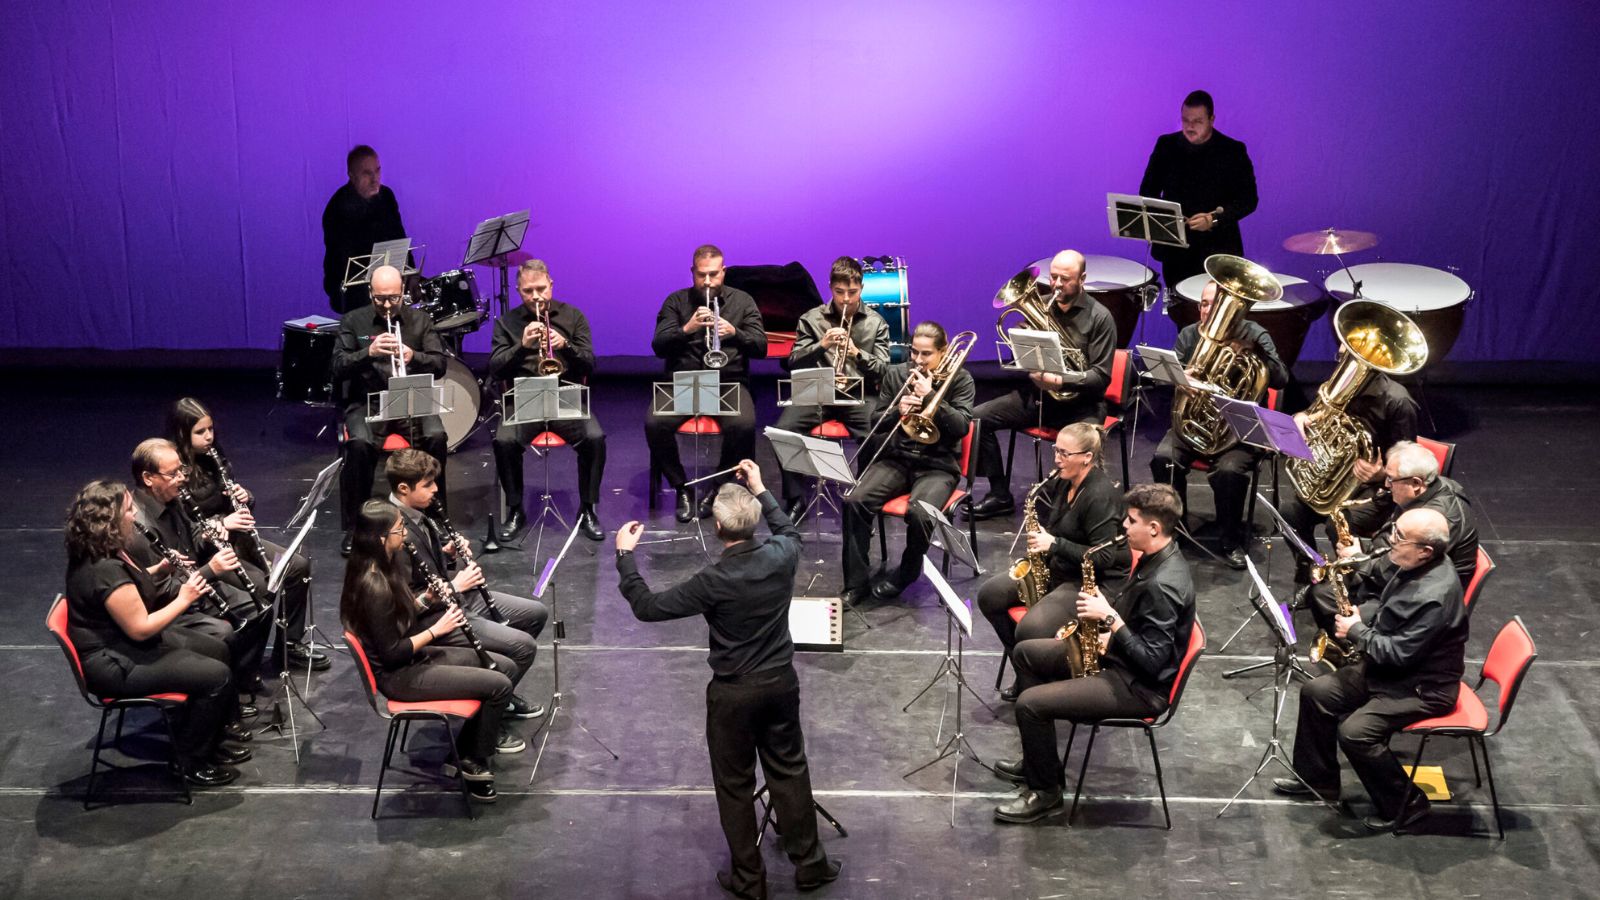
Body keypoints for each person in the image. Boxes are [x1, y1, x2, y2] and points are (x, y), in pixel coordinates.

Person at [615, 460, 840, 899]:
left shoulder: (713, 581)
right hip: (779, 684)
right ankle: (810, 866)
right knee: (790, 771)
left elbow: (648, 607)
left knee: (734, 785)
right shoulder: (782, 555)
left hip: (733, 694)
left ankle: (749, 880)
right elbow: (788, 529)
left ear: (718, 527)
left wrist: (625, 557)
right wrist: (760, 487)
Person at [993, 483, 1195, 824]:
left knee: (1030, 706)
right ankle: (1038, 763)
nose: (1124, 528)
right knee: (1026, 652)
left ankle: (1046, 793)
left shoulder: (1164, 584)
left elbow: (1153, 663)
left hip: (1138, 688)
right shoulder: (1155, 559)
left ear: (1154, 528)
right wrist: (1104, 636)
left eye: (1131, 521)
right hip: (1120, 660)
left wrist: (1111, 621)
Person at [1274, 507, 1468, 831]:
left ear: (1425, 551)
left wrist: (1356, 631)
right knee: (1316, 692)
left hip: (1421, 687)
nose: (1391, 539)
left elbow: (1398, 654)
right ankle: (1319, 781)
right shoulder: (1413, 562)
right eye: (1395, 530)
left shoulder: (1434, 596)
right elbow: (1389, 607)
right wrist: (1362, 615)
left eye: (1400, 537)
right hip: (1388, 672)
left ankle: (1407, 805)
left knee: (1355, 732)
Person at [63, 480, 249, 787]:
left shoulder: (104, 550)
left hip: (124, 644)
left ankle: (213, 736)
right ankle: (189, 761)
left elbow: (127, 589)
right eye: (128, 509)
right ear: (109, 520)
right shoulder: (103, 569)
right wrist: (184, 598)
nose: (135, 513)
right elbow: (140, 628)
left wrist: (158, 570)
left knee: (218, 648)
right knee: (216, 676)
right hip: (115, 662)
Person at [340, 499, 514, 803]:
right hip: (400, 675)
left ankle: (462, 752)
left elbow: (399, 621)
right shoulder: (373, 585)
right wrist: (437, 630)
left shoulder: (385, 566)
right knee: (499, 684)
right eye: (399, 529)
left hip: (413, 658)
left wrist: (425, 600)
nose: (405, 534)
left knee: (505, 667)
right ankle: (472, 761)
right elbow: (393, 653)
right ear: (381, 538)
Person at [385, 449, 547, 727]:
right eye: (427, 485)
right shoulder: (394, 530)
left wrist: (447, 555)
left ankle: (498, 693)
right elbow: (409, 598)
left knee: (536, 613)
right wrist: (455, 583)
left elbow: (425, 568)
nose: (436, 489)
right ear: (403, 488)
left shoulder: (419, 512)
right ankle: (492, 704)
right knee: (523, 647)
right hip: (436, 616)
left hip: (457, 597)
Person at [165, 397, 329, 672]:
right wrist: (224, 522)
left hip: (237, 540)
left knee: (296, 567)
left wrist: (245, 497)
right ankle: (246, 665)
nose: (209, 437)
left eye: (210, 430)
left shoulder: (213, 458)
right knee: (264, 587)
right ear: (182, 433)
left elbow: (231, 503)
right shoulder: (174, 472)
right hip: (210, 552)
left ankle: (289, 646)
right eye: (200, 432)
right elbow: (187, 524)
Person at [976, 424, 1130, 701]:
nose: (1056, 458)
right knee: (990, 595)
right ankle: (1027, 671)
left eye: (1064, 453)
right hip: (1059, 566)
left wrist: (1055, 544)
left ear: (1087, 456)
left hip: (1088, 582)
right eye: (1055, 450)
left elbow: (1105, 557)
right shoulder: (1063, 481)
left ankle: (1034, 684)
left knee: (1030, 629)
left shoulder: (1100, 496)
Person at [1148, 279, 1289, 568]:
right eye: (1203, 304)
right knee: (1163, 459)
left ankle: (1230, 539)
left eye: (1216, 304)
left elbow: (1281, 378)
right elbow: (1172, 378)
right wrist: (1182, 379)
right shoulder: (1189, 336)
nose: (1208, 310)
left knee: (1228, 472)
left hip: (1236, 431)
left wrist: (1254, 352)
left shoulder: (1255, 333)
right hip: (1191, 424)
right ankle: (1175, 529)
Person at [969, 251, 1117, 520]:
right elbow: (1024, 357)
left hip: (1081, 406)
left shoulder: (1100, 317)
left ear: (1082, 279)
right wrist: (1023, 347)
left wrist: (1061, 380)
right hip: (1040, 398)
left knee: (1082, 445)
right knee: (978, 419)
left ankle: (1080, 509)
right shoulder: (1043, 305)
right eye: (1054, 277)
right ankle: (999, 494)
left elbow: (1101, 378)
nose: (1057, 284)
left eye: (1066, 279)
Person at [125, 438, 273, 699]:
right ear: (148, 478)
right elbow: (159, 591)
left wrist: (208, 534)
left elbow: (192, 533)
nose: (182, 478)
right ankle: (223, 696)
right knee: (223, 632)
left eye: (181, 470)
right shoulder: (138, 528)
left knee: (260, 605)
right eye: (173, 474)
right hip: (172, 606)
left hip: (195, 584)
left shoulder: (173, 497)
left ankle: (242, 678)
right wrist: (210, 570)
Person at [840, 321, 975, 605]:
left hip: (937, 466)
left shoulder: (961, 380)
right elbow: (876, 423)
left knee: (921, 514)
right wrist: (896, 412)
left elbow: (962, 426)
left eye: (926, 354)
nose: (918, 360)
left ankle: (908, 571)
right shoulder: (897, 374)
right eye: (914, 352)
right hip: (897, 458)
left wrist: (929, 397)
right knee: (855, 500)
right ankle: (856, 582)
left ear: (943, 352)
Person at [1303, 441, 1479, 637]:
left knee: (1325, 596)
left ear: (1416, 483)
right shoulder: (1424, 492)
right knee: (1323, 588)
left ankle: (1360, 656)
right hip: (1404, 572)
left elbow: (1396, 571)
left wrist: (1359, 558)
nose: (1386, 485)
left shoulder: (1436, 518)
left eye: (1391, 479)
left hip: (1419, 595)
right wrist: (1362, 551)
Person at [331, 263, 449, 555]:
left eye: (393, 298)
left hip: (411, 400)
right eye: (380, 298)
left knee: (436, 437)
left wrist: (413, 355)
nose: (386, 305)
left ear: (403, 293)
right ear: (370, 293)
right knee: (357, 444)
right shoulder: (353, 321)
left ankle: (437, 516)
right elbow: (336, 366)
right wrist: (367, 352)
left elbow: (440, 363)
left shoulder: (420, 321)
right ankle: (356, 525)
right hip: (368, 401)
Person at [489, 259, 608, 542]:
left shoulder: (573, 317)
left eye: (541, 289)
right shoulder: (507, 323)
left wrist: (565, 345)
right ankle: (516, 509)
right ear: (518, 290)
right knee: (503, 441)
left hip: (566, 399)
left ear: (551, 285)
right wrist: (522, 347)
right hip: (523, 402)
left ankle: (587, 509)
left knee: (595, 438)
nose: (536, 297)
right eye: (528, 291)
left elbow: (590, 364)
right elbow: (495, 369)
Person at [647, 244, 767, 523]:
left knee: (743, 425)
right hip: (684, 383)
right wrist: (687, 329)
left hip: (729, 383)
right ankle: (682, 487)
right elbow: (658, 346)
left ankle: (717, 488)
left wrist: (735, 332)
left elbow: (761, 347)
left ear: (724, 271)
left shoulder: (742, 301)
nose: (709, 282)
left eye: (714, 274)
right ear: (692, 272)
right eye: (702, 275)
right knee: (654, 423)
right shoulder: (676, 302)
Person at [774, 256, 891, 523]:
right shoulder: (811, 319)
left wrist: (857, 353)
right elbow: (791, 362)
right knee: (782, 432)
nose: (846, 299)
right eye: (840, 293)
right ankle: (795, 498)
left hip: (858, 395)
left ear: (861, 288)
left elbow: (884, 369)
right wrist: (822, 345)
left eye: (852, 292)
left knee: (877, 433)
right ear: (830, 288)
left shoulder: (876, 323)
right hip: (817, 392)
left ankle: (864, 498)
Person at [1278, 372, 1420, 587]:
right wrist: (1302, 416)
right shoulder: (1342, 384)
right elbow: (1315, 413)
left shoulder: (1398, 401)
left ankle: (1352, 585)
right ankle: (1310, 570)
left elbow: (1410, 460)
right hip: (1338, 478)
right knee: (1289, 513)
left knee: (1338, 522)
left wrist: (1382, 474)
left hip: (1380, 489)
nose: (1345, 360)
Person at [1138, 90, 1259, 314]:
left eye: (1197, 121)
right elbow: (1147, 191)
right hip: (1176, 250)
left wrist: (1213, 219)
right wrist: (1166, 217)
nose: (1190, 126)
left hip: (1218, 250)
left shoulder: (1233, 151)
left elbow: (1249, 200)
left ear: (1212, 120)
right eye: (1185, 120)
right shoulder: (1166, 146)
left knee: (1215, 315)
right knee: (1180, 314)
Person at [322, 145, 406, 313]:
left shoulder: (386, 197)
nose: (375, 179)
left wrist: (410, 274)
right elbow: (344, 265)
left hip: (387, 281)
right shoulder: (337, 208)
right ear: (352, 177)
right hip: (353, 289)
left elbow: (399, 237)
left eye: (377, 171)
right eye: (367, 174)